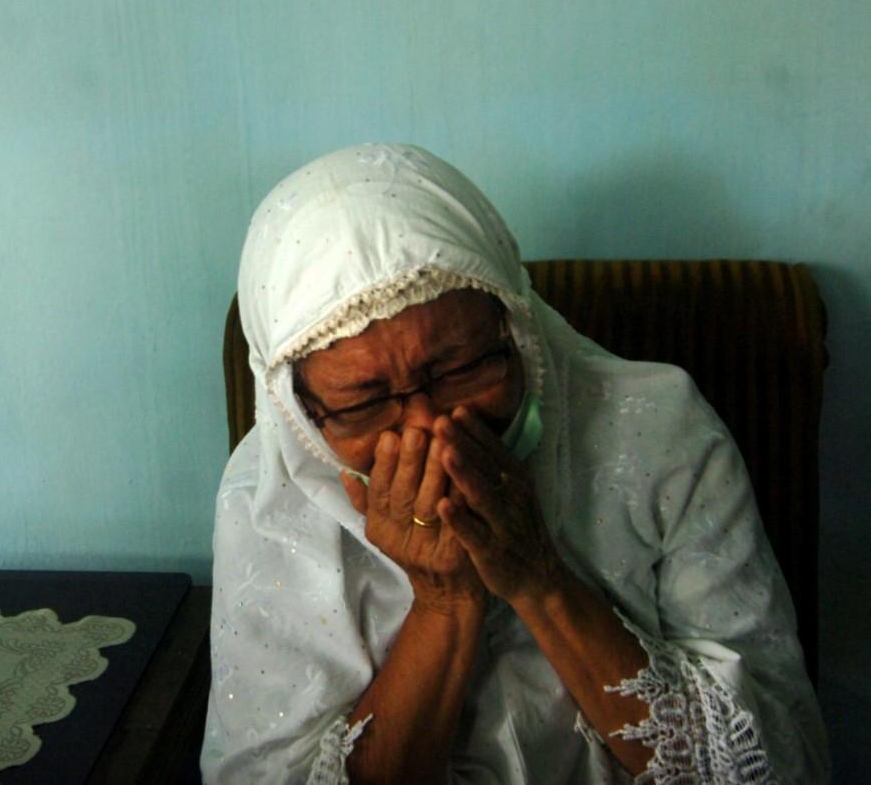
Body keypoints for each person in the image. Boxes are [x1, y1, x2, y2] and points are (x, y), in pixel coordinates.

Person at [202, 144, 828, 783]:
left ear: (515, 328)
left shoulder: (660, 430)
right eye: (364, 401)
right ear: (300, 411)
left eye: (460, 368)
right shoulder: (266, 496)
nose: (429, 427)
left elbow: (776, 765)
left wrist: (537, 577)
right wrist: (445, 601)